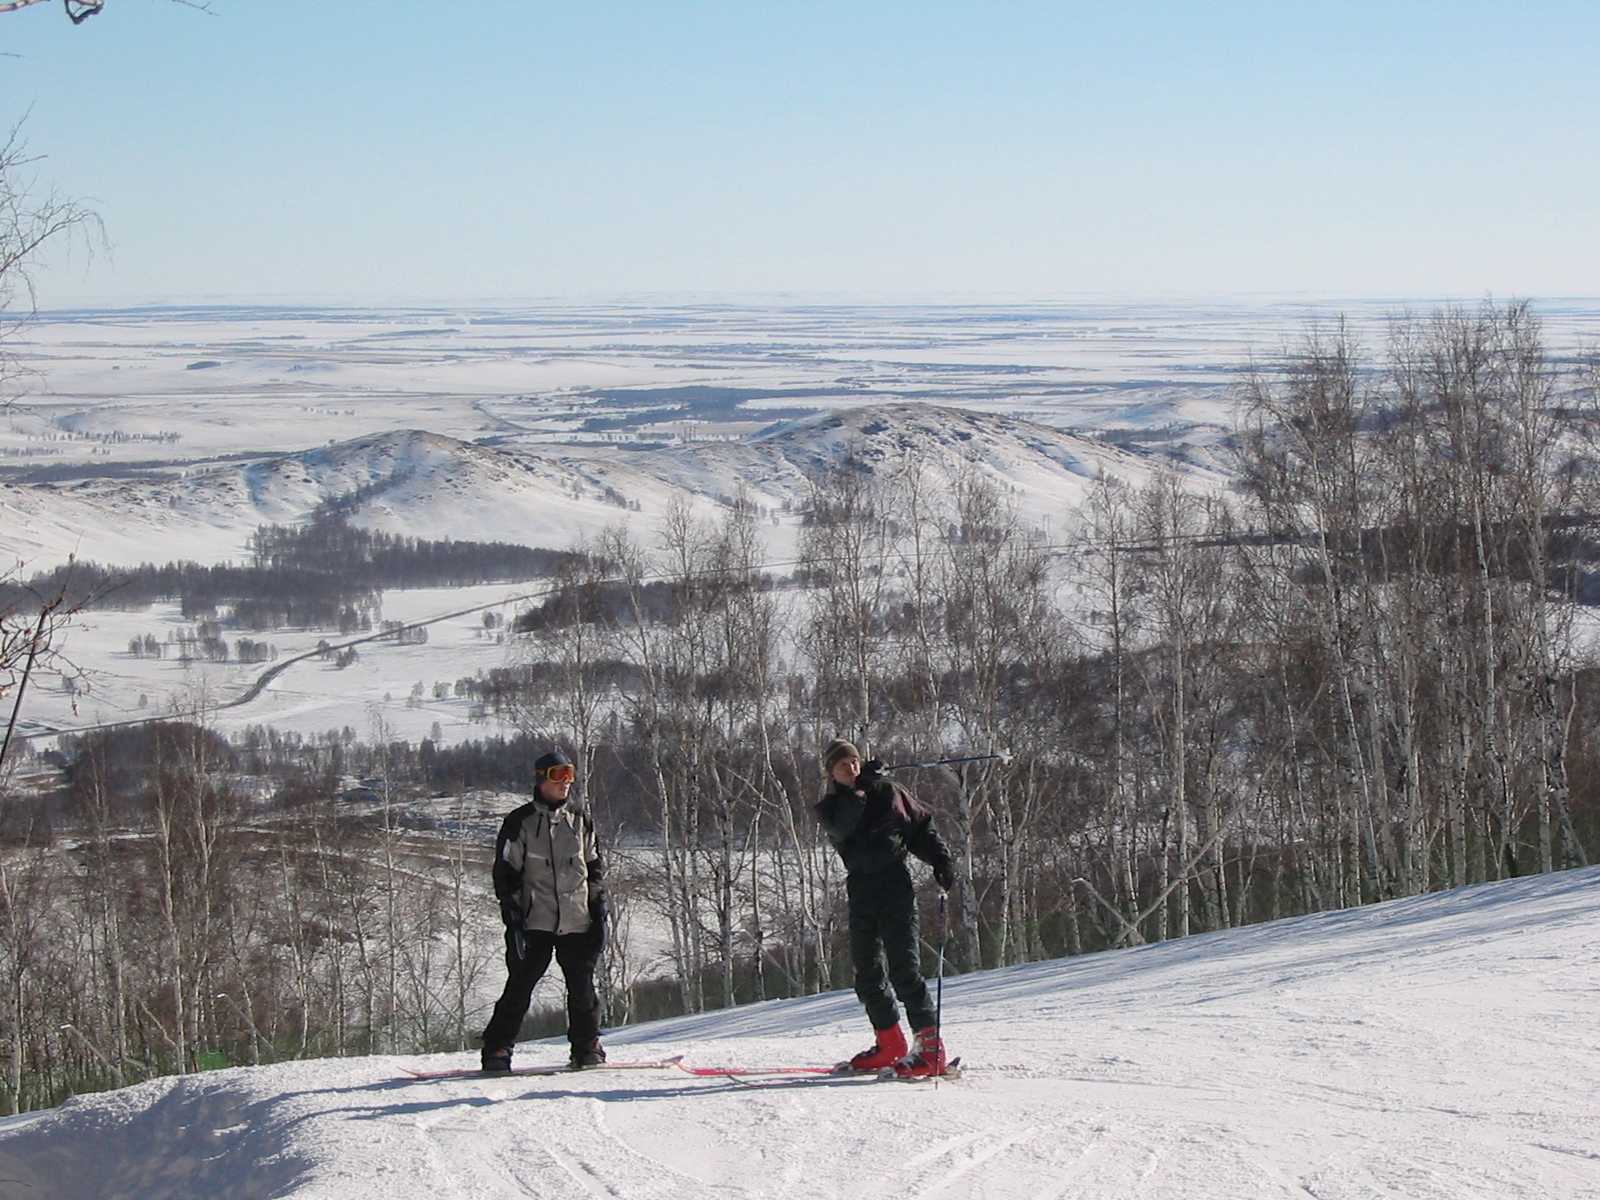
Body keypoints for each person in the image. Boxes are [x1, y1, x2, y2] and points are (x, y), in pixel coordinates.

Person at [814, 738, 956, 1078]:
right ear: (832, 772)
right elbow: (842, 826)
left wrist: (940, 859)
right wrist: (859, 791)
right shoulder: (831, 807)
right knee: (867, 974)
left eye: (854, 761)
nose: (851, 767)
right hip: (861, 889)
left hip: (894, 884)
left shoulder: (887, 791)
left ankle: (930, 1048)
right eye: (843, 765)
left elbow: (920, 827)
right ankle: (889, 1043)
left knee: (904, 969)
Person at [480, 749, 609, 1072]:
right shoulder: (519, 823)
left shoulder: (580, 820)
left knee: (582, 986)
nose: (566, 783)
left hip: (576, 918)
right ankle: (497, 1049)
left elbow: (594, 867)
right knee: (520, 985)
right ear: (541, 780)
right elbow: (506, 873)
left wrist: (599, 908)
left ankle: (587, 1046)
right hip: (534, 920)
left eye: (570, 775)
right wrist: (513, 918)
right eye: (558, 775)